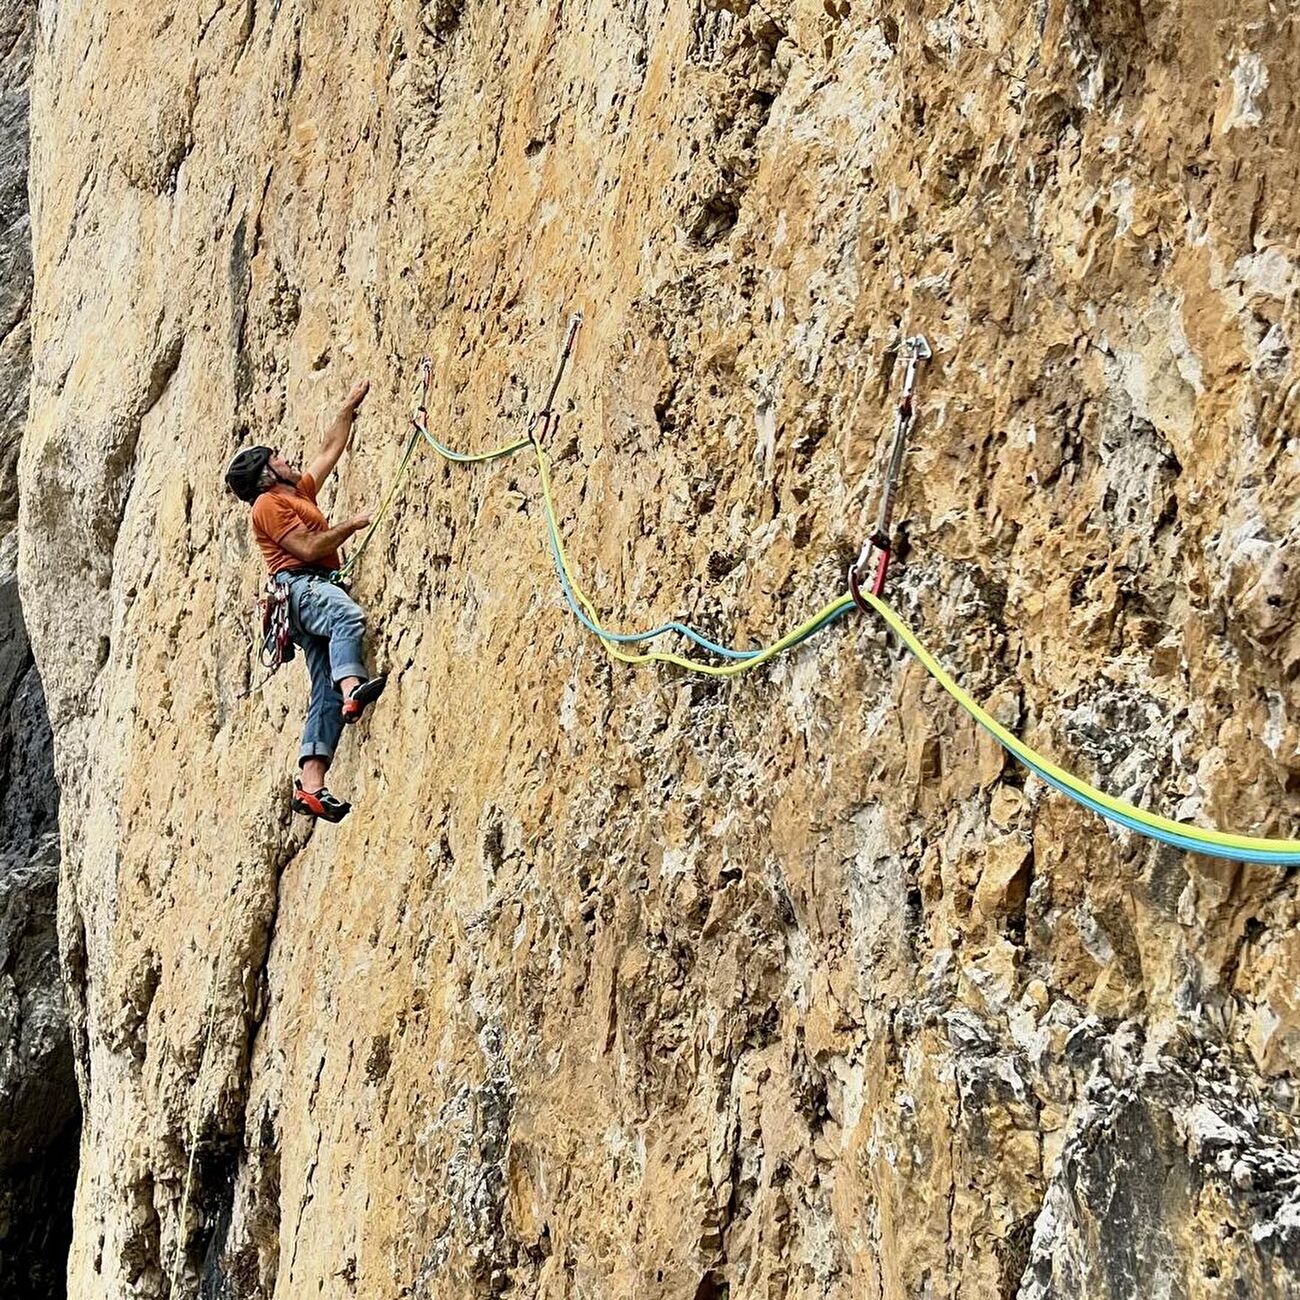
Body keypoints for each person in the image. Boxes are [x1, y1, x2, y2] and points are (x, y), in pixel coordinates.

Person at [225, 380, 387, 823]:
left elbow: (329, 449)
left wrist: (347, 408)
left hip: (300, 597)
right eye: (277, 457)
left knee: (322, 692)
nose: (287, 458)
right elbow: (308, 549)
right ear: (266, 474)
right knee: (346, 618)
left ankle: (311, 785)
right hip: (300, 587)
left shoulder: (297, 493)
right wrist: (351, 526)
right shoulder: (266, 505)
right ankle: (353, 690)